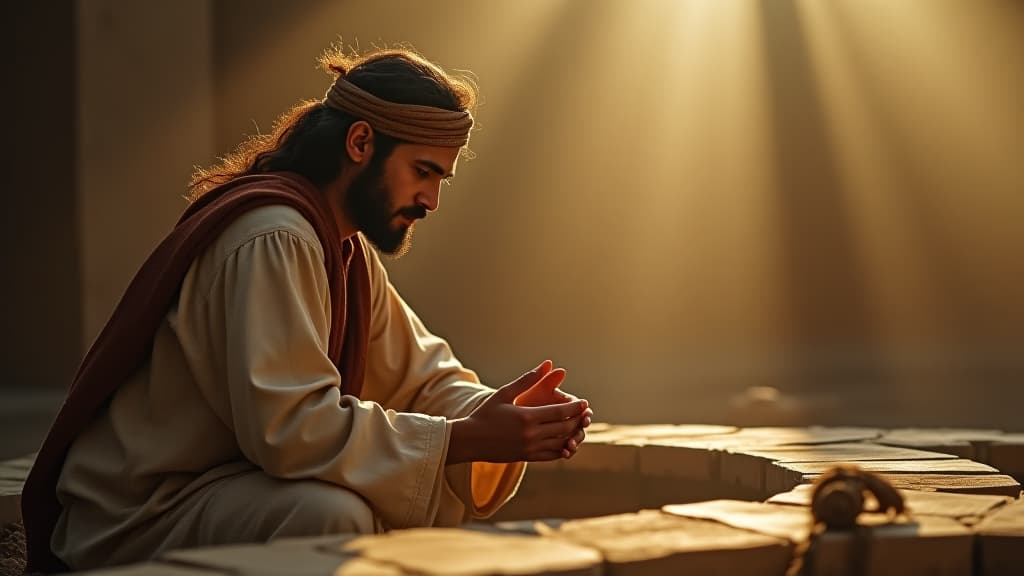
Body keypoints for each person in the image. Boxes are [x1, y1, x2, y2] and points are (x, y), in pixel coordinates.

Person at [22, 47, 593, 572]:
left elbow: (419, 376)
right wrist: (465, 440)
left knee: (357, 501)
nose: (431, 201)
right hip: (144, 514)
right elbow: (290, 427)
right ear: (361, 143)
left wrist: (507, 415)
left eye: (441, 178)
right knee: (327, 516)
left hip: (221, 493)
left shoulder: (342, 249)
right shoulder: (275, 237)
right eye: (422, 172)